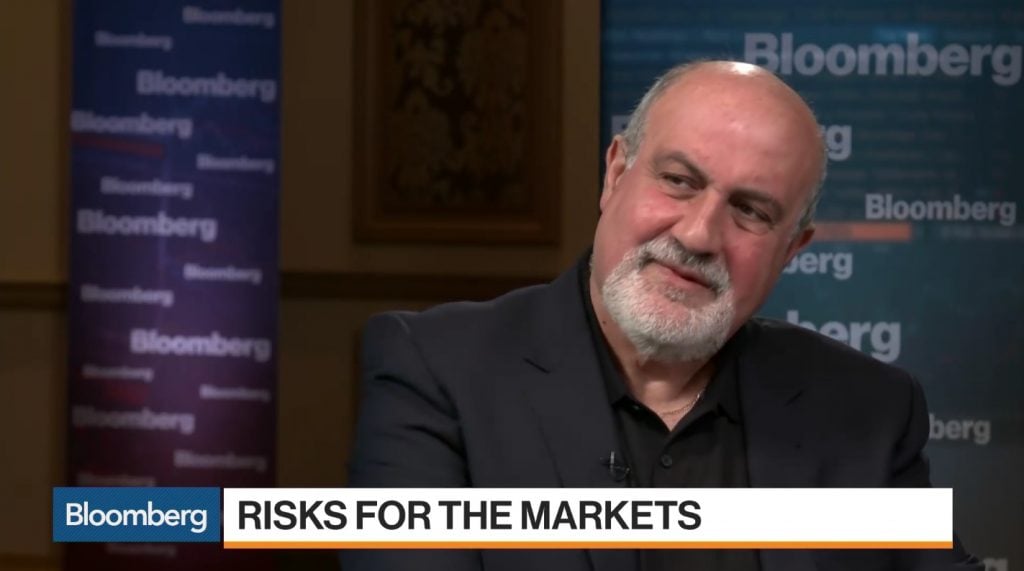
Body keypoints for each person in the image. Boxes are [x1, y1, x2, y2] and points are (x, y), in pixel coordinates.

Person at [343, 61, 981, 571]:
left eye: (751, 211)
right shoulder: (435, 372)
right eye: (678, 180)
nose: (699, 234)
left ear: (791, 250)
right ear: (615, 173)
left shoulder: (869, 410)